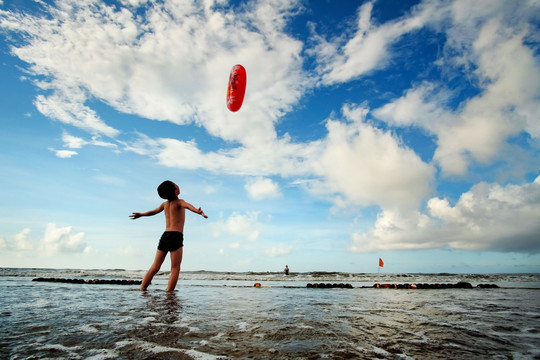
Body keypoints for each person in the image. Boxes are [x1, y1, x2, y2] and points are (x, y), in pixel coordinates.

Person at [130, 180, 208, 291]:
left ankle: (142, 288)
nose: (178, 185)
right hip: (176, 236)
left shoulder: (165, 205)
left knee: (155, 266)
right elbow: (188, 206)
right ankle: (169, 293)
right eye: (175, 184)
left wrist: (141, 214)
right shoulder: (180, 202)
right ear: (175, 190)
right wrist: (198, 211)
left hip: (165, 236)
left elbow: (153, 212)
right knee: (175, 268)